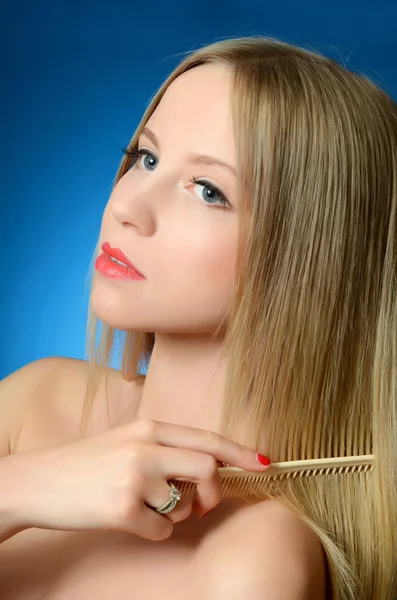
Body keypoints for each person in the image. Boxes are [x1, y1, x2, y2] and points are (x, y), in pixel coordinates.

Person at [0, 35, 396, 600]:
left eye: (208, 190)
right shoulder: (40, 400)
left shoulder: (252, 561)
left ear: (311, 258)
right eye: (146, 157)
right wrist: (18, 489)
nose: (128, 206)